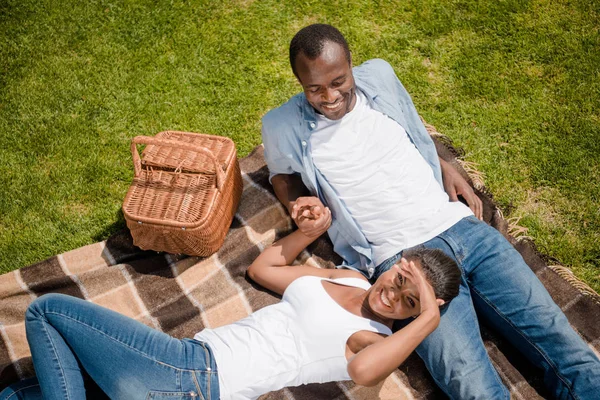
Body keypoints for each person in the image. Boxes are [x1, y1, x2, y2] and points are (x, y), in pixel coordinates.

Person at [261, 23, 600, 399]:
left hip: (465, 230)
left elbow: (409, 129)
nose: (329, 96)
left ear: (351, 64)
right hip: (401, 263)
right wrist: (298, 203)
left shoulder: (381, 77)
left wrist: (443, 165)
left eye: (339, 81)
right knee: (469, 382)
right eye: (314, 88)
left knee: (560, 341)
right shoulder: (282, 123)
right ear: (299, 82)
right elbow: (283, 177)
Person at [0, 213, 461, 400]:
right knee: (17, 396)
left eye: (408, 302)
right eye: (401, 280)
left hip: (190, 375)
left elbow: (364, 373)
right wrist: (305, 231)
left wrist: (427, 318)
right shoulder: (347, 277)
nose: (393, 298)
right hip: (179, 369)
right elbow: (265, 271)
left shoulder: (378, 338)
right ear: (398, 263)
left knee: (47, 311)